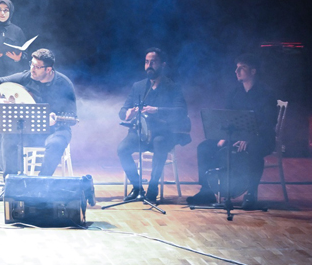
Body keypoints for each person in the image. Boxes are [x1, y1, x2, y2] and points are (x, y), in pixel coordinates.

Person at [186, 54, 277, 209]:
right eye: (236, 68)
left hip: (261, 138)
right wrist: (223, 137)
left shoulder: (266, 93)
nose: (237, 71)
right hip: (236, 136)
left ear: (253, 71)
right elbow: (228, 118)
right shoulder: (235, 92)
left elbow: (268, 122)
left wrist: (249, 138)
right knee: (205, 147)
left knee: (253, 150)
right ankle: (207, 191)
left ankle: (251, 193)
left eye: (242, 68)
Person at [0, 49, 77, 176]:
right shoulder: (28, 76)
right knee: (8, 134)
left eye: (37, 67)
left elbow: (73, 117)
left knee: (56, 143)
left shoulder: (64, 84)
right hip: (30, 130)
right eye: (31, 65)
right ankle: (10, 180)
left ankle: (41, 182)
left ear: (48, 69)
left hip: (56, 129)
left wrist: (56, 119)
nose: (32, 69)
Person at [117, 48, 191, 202]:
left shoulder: (172, 87)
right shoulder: (138, 86)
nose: (149, 65)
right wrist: (127, 113)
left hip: (163, 133)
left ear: (162, 65)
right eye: (146, 62)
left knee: (159, 143)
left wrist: (157, 110)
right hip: (141, 133)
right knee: (122, 149)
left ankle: (152, 189)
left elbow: (181, 111)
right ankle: (138, 188)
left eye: (153, 62)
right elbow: (123, 110)